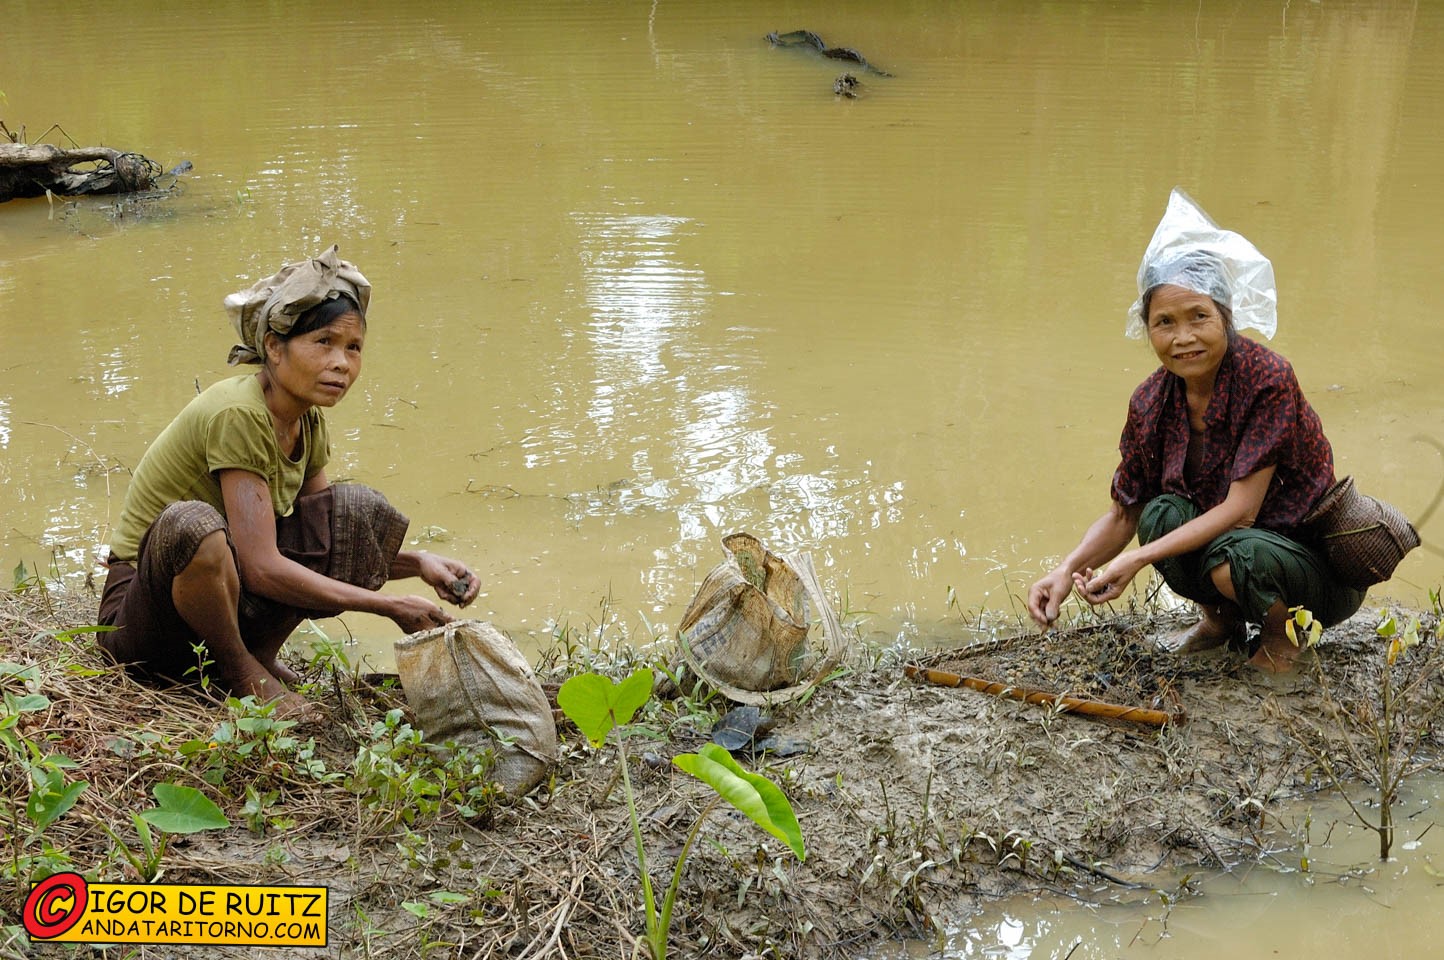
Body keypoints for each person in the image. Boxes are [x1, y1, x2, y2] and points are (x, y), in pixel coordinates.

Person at [98, 246, 480, 717]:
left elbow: (330, 538)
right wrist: (387, 606)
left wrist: (420, 563)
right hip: (143, 616)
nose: (342, 363)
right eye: (324, 342)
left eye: (353, 347)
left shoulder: (308, 420)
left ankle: (256, 657)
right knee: (192, 524)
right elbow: (260, 566)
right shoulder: (239, 413)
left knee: (352, 511)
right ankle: (239, 672)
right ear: (274, 348)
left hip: (221, 596)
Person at [1026, 190, 1364, 672]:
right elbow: (1125, 515)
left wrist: (1136, 562)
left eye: (1198, 317)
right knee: (1159, 514)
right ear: (1147, 330)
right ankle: (1221, 620)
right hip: (1237, 554)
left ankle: (1281, 640)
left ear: (1226, 316)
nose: (1182, 337)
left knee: (1239, 552)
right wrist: (1064, 571)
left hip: (1309, 570)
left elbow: (1242, 512)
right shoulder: (1150, 401)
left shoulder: (1265, 378)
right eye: (1164, 322)